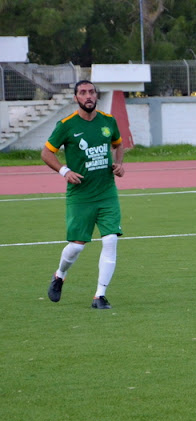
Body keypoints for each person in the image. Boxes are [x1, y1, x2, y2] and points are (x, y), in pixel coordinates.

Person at [41, 80, 125, 309]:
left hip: (107, 193)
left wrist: (119, 164)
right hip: (80, 195)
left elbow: (118, 145)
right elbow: (46, 153)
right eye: (83, 92)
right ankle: (60, 275)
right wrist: (64, 171)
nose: (88, 96)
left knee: (110, 240)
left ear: (96, 96)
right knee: (76, 246)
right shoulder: (66, 125)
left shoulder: (108, 121)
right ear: (76, 97)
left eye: (91, 92)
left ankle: (100, 296)